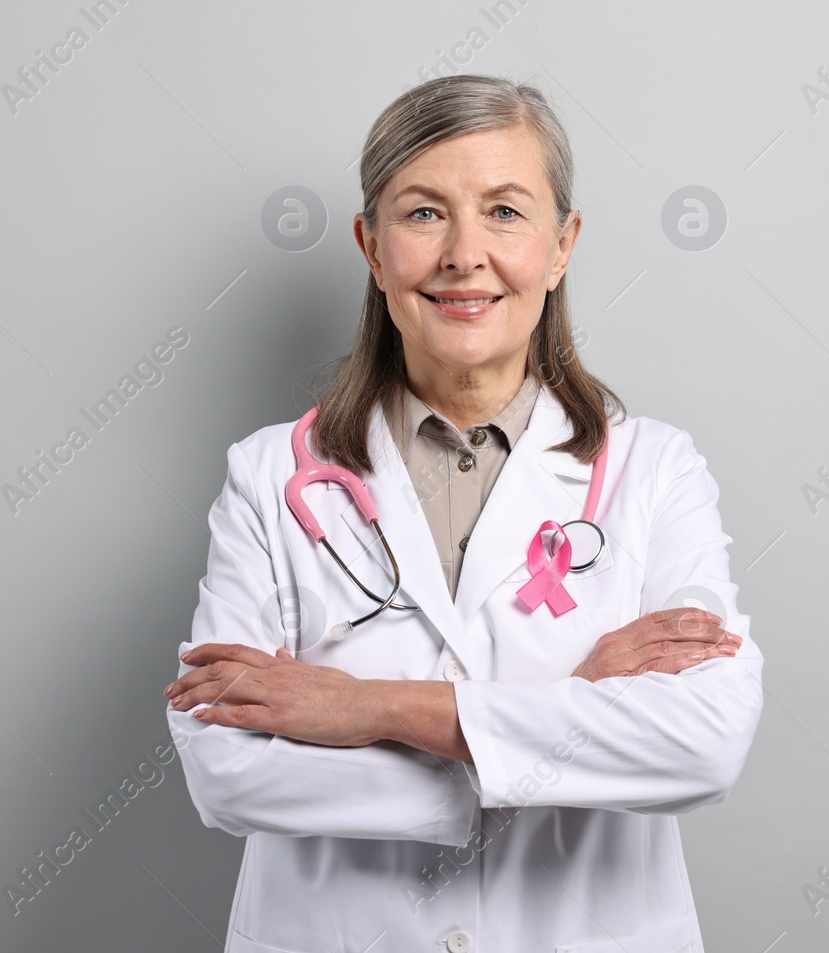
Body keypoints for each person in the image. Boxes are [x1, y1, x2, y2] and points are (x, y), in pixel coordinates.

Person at [163, 74, 763, 953]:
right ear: (371, 247)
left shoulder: (655, 471)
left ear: (563, 246)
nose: (464, 254)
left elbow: (704, 742)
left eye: (506, 212)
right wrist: (561, 718)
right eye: (423, 213)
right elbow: (226, 770)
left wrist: (365, 707)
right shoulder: (267, 478)